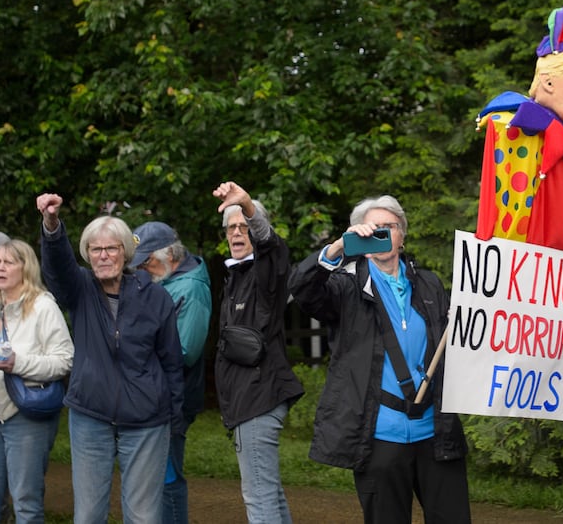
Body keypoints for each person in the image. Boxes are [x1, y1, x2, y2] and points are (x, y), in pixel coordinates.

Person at [288, 195, 471, 524]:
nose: (383, 234)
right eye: (373, 229)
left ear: (402, 236)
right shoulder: (344, 287)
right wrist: (337, 249)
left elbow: (457, 341)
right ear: (359, 237)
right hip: (379, 439)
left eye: (390, 227)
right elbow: (302, 289)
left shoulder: (429, 284)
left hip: (436, 435)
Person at [36, 193, 184, 524]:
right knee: (88, 515)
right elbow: (57, 268)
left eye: (111, 248)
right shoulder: (80, 289)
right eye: (96, 250)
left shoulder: (156, 297)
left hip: (147, 421)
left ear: (125, 253)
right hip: (91, 417)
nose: (104, 256)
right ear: (87, 256)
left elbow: (172, 362)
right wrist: (51, 225)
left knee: (143, 516)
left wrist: (174, 418)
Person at [475, 5, 563, 262]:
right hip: (506, 267)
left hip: (549, 280)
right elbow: (494, 205)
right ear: (548, 82)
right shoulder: (509, 122)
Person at [0, 239, 74, 523]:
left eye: (9, 262)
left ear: (26, 267)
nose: (1, 267)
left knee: (26, 502)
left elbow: (65, 360)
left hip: (25, 413)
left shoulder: (44, 306)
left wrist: (18, 364)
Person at [212, 181, 304, 523]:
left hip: (258, 400)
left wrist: (248, 207)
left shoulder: (264, 274)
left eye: (244, 227)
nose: (237, 233)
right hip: (248, 400)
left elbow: (273, 249)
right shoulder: (235, 276)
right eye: (231, 227)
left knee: (259, 497)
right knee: (268, 492)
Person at [129, 221, 212, 524]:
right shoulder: (165, 279)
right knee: (153, 475)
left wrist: (135, 349)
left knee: (167, 476)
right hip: (152, 396)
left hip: (174, 399)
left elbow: (186, 351)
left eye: (147, 261)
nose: (143, 269)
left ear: (168, 255)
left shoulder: (191, 287)